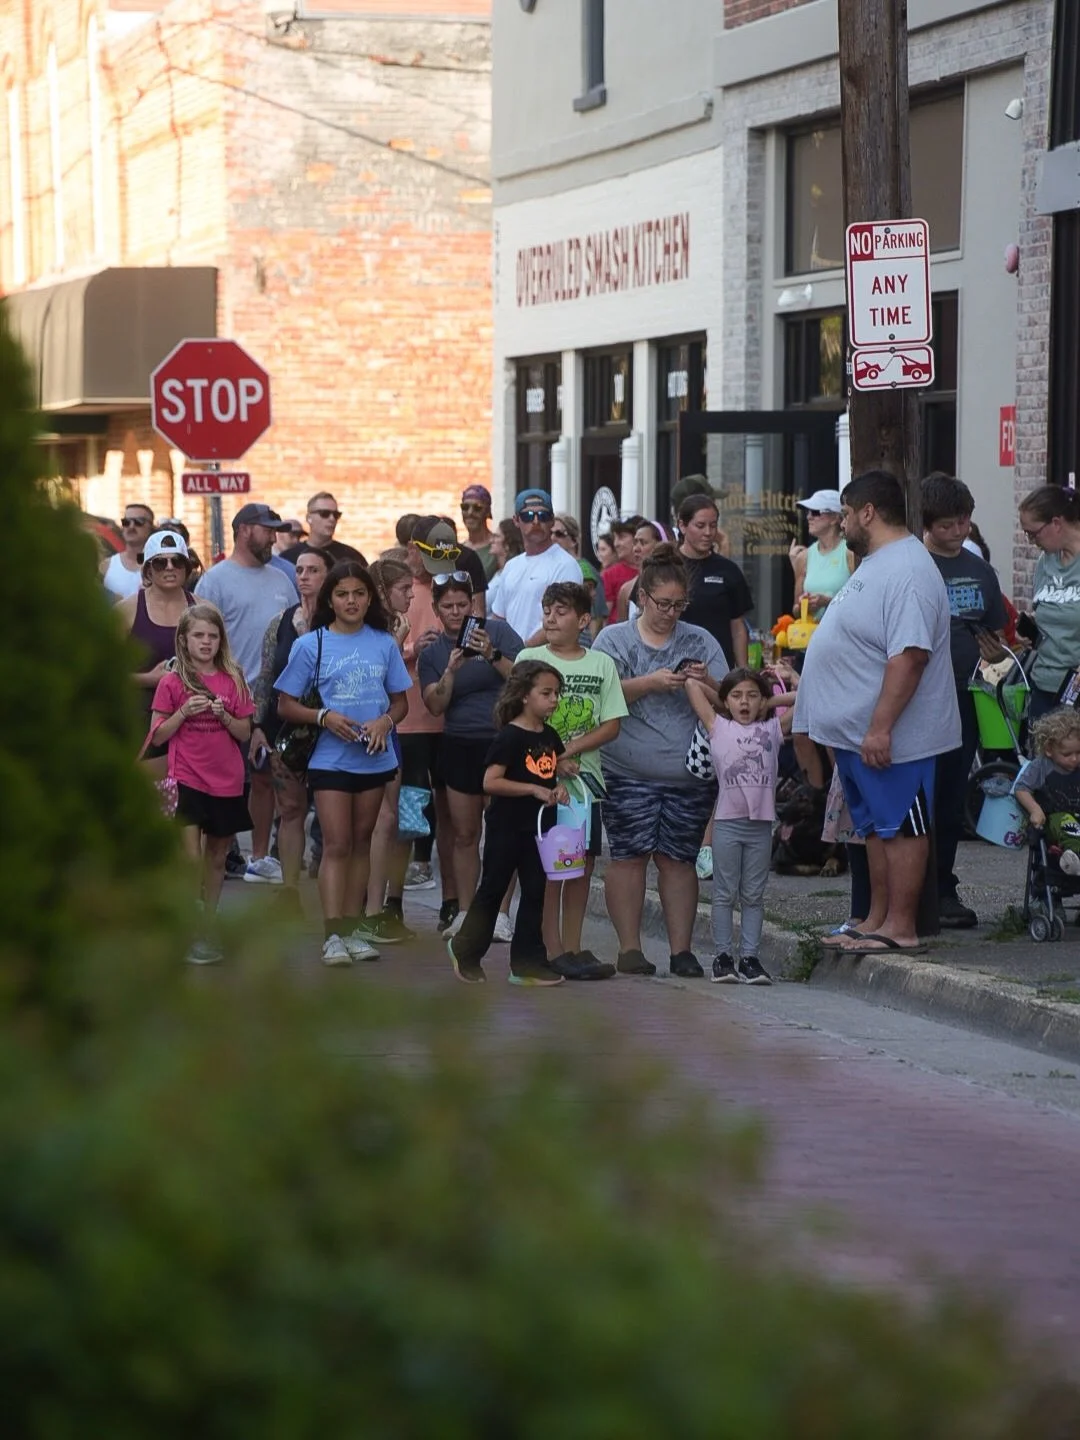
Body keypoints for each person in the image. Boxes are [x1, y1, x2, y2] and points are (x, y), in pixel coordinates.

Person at [794, 470, 961, 956]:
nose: (842, 523)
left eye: (845, 513)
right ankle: (875, 919)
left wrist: (881, 728)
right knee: (873, 828)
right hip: (857, 735)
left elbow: (909, 655)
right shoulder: (877, 561)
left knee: (901, 826)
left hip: (892, 737)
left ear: (868, 512)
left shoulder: (907, 568)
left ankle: (902, 926)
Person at [593, 545, 729, 977]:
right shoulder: (613, 639)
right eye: (663, 604)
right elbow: (602, 695)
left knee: (678, 859)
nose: (671, 613)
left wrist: (704, 679)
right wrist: (650, 683)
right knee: (629, 856)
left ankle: (681, 950)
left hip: (687, 771)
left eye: (679, 605)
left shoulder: (699, 640)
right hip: (626, 767)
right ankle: (630, 948)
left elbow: (731, 699)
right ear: (642, 598)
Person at [275, 563, 411, 966]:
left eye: (358, 594)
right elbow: (285, 703)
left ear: (369, 598)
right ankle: (333, 935)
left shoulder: (384, 643)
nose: (351, 601)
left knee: (360, 844)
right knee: (336, 844)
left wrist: (385, 721)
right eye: (342, 594)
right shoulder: (311, 644)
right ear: (329, 599)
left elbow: (401, 701)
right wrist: (324, 717)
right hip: (329, 759)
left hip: (374, 757)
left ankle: (352, 930)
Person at [518, 582, 627, 979]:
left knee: (580, 864)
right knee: (551, 862)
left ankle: (575, 944)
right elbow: (517, 719)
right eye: (546, 609)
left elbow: (612, 723)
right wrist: (551, 756)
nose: (550, 617)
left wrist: (573, 748)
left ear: (583, 620)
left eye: (561, 611)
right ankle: (551, 946)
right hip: (542, 782)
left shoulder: (600, 664)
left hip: (586, 783)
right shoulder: (529, 658)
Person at [195, 502, 301, 885]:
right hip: (225, 694)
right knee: (221, 777)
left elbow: (293, 631)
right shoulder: (216, 580)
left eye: (275, 530)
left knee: (262, 776)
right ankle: (218, 850)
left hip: (271, 696)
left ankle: (258, 856)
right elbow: (202, 633)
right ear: (243, 530)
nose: (273, 536)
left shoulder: (281, 580)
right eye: (266, 529)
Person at [445, 661, 569, 986]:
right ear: (525, 696)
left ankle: (528, 961)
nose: (554, 699)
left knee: (535, 891)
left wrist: (559, 786)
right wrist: (532, 788)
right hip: (507, 827)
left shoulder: (550, 735)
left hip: (540, 830)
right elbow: (490, 782)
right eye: (546, 693)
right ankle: (466, 949)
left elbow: (555, 768)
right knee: (493, 888)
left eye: (557, 693)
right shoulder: (510, 736)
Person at [921, 473, 1008, 927]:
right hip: (917, 697)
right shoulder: (913, 565)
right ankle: (913, 886)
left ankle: (942, 884)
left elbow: (998, 637)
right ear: (928, 524)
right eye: (948, 526)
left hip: (965, 693)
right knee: (921, 793)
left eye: (964, 523)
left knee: (952, 795)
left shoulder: (980, 572)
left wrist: (995, 654)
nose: (958, 532)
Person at [150, 604, 254, 964]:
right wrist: (183, 713)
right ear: (184, 639)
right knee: (190, 854)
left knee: (216, 855)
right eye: (199, 635)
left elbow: (244, 730)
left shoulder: (233, 678)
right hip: (186, 776)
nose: (206, 642)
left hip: (226, 778)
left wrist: (224, 715)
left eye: (212, 636)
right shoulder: (172, 681)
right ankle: (189, 920)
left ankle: (208, 922)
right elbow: (158, 735)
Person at [398, 516, 488, 922]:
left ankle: (453, 902)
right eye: (429, 553)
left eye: (445, 553)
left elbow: (479, 629)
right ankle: (391, 903)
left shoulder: (458, 587)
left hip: (454, 725)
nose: (436, 562)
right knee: (406, 817)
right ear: (412, 548)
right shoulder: (399, 588)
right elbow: (381, 648)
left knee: (453, 821)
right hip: (410, 722)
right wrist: (415, 646)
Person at [418, 574, 522, 925]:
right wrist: (450, 670)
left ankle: (501, 912)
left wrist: (491, 654)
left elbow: (525, 680)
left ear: (474, 605)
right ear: (436, 609)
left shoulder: (500, 633)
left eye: (462, 604)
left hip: (502, 741)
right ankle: (465, 911)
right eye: (447, 606)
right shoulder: (433, 652)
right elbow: (434, 705)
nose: (456, 612)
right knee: (465, 834)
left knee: (502, 832)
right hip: (459, 743)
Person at [686, 667, 797, 986]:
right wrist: (723, 698)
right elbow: (693, 686)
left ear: (763, 701)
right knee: (723, 893)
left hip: (760, 827)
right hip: (727, 825)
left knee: (753, 895)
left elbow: (807, 697)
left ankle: (749, 957)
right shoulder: (717, 727)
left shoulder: (773, 729)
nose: (744, 702)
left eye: (752, 696)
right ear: (726, 702)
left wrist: (771, 701)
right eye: (737, 696)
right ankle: (723, 957)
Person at [250, 546, 334, 897]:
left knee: (333, 817)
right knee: (290, 809)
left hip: (332, 729)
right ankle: (289, 890)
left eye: (313, 570)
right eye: (299, 570)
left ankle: (336, 894)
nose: (304, 576)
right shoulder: (282, 622)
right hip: (286, 728)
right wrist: (257, 726)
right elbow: (266, 677)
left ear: (328, 576)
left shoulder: (340, 623)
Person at [360, 555, 418, 943]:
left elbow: (397, 694)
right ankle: (365, 908)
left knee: (389, 819)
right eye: (404, 590)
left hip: (389, 728)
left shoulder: (396, 627)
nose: (411, 596)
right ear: (382, 592)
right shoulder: (369, 630)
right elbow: (374, 676)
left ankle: (378, 909)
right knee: (370, 822)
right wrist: (396, 642)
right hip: (357, 728)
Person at [119, 528, 197, 736]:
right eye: (161, 562)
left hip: (195, 721)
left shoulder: (203, 609)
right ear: (148, 570)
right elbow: (101, 672)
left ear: (187, 568)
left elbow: (225, 665)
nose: (170, 568)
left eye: (177, 561)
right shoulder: (127, 610)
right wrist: (149, 678)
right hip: (140, 719)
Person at [488, 489, 581, 646]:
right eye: (528, 516)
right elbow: (499, 617)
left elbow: (563, 621)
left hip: (546, 662)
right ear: (516, 520)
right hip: (510, 662)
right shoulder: (511, 566)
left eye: (543, 516)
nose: (536, 522)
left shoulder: (566, 565)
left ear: (552, 521)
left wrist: (523, 650)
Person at [1019, 486, 1080, 720]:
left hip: (1075, 691)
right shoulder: (1045, 562)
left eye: (1033, 533)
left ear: (1056, 523)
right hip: (1043, 685)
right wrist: (1031, 630)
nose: (1031, 541)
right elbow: (1051, 610)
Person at [677, 494, 753, 668]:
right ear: (682, 525)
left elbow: (738, 627)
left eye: (713, 526)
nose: (708, 533)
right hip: (673, 668)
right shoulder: (667, 566)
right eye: (700, 526)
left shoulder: (728, 570)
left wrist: (742, 670)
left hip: (717, 668)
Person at [1012, 708, 1080, 874]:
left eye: (1079, 753)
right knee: (1066, 822)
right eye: (1067, 754)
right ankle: (1075, 858)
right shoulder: (1042, 766)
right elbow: (1021, 788)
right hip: (1053, 819)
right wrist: (1035, 810)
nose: (1074, 759)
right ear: (1049, 749)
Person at [788, 489, 854, 619]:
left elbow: (861, 602)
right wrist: (803, 605)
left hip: (843, 636)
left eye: (815, 512)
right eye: (808, 512)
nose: (809, 517)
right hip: (813, 636)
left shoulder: (850, 553)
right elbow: (795, 610)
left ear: (835, 518)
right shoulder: (803, 557)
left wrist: (827, 602)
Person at [551, 512, 608, 636]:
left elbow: (596, 617)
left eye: (559, 534)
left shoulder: (584, 569)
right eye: (550, 533)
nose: (553, 538)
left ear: (574, 541)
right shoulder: (551, 567)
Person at [279, 492, 366, 567]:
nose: (332, 519)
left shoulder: (351, 557)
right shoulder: (288, 557)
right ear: (309, 518)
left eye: (336, 515)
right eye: (324, 514)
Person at [617, 520, 668, 622]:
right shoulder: (626, 590)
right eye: (635, 542)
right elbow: (621, 633)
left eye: (643, 543)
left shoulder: (674, 586)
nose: (636, 548)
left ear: (661, 545)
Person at [102, 502, 154, 599]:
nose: (131, 526)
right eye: (126, 522)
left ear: (151, 527)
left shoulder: (161, 565)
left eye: (139, 522)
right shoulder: (107, 565)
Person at [600, 520, 640, 617]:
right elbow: (603, 617)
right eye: (615, 538)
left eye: (621, 537)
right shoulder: (609, 574)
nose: (616, 544)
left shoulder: (651, 570)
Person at [460, 484, 497, 579]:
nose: (470, 512)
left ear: (487, 512)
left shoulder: (498, 546)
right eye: (465, 507)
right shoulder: (458, 550)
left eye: (477, 508)